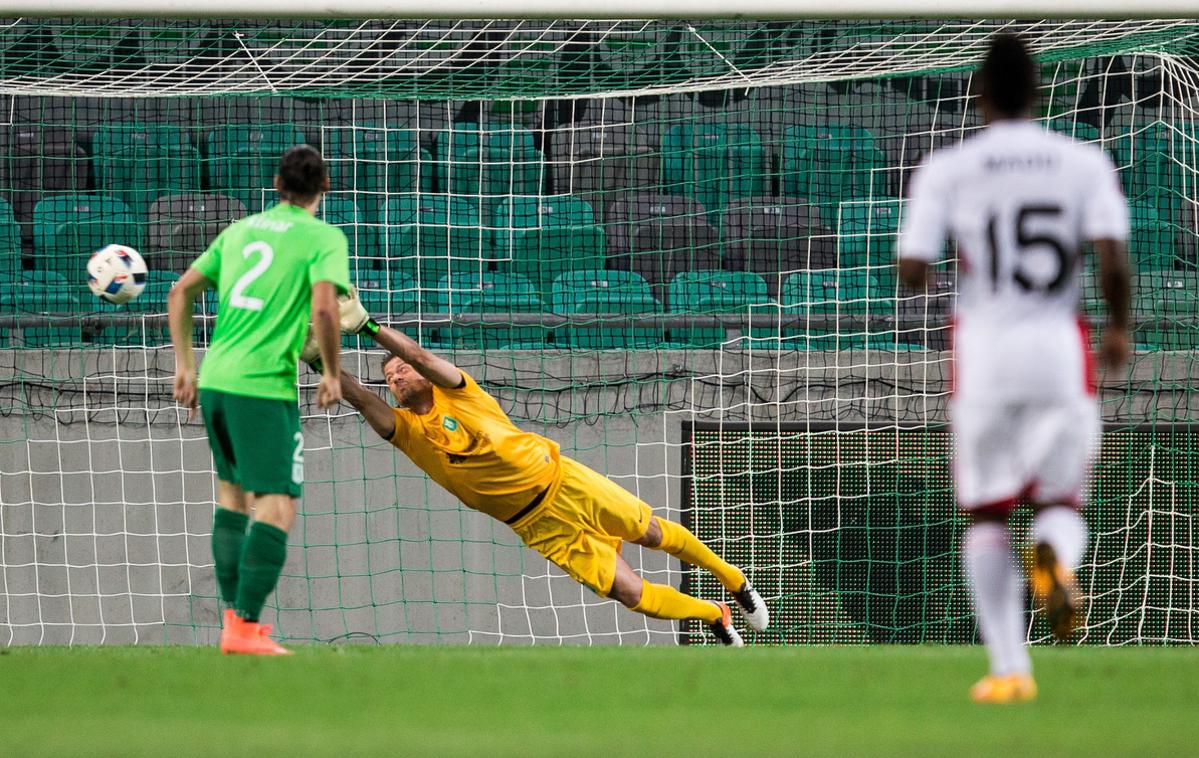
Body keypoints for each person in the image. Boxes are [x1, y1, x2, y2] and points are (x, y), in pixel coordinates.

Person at [303, 296, 768, 645]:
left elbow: (423, 357)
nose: (396, 377)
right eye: (389, 377)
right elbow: (358, 396)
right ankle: (713, 613)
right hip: (534, 524)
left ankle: (733, 578)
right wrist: (313, 356)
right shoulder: (405, 430)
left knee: (648, 533)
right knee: (631, 595)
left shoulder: (461, 393)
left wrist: (368, 327)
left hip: (562, 481)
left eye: (401, 370)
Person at [898, 33, 1131, 703]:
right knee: (1061, 502)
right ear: (1036, 92)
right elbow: (1111, 257)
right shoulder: (1082, 162)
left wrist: (927, 268)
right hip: (1060, 351)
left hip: (985, 357)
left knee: (986, 518)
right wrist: (1117, 328)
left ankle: (1009, 670)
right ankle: (1053, 554)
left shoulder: (949, 167)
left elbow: (913, 268)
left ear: (979, 95)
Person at [169, 145, 349, 655]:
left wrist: (186, 365)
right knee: (278, 503)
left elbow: (180, 291)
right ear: (325, 187)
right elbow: (325, 309)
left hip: (218, 378)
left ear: (277, 184)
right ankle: (244, 628)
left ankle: (235, 624)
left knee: (231, 495)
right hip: (262, 385)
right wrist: (332, 372)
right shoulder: (322, 237)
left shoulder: (241, 229)